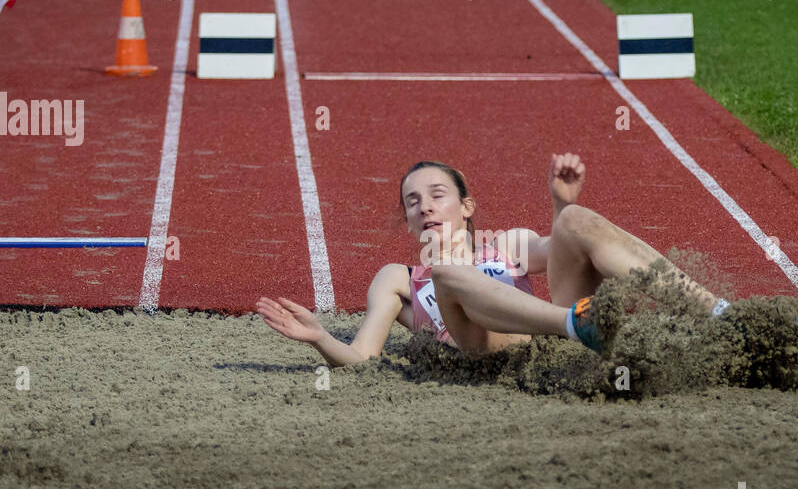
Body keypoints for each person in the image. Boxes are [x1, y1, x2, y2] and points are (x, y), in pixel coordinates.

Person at [257, 153, 730, 366]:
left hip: (548, 340)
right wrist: (320, 337)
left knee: (576, 220)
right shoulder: (397, 278)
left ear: (466, 207)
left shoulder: (506, 245)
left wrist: (561, 204)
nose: (424, 206)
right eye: (412, 202)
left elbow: (568, 253)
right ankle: (576, 324)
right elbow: (362, 357)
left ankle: (719, 314)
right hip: (484, 356)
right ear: (408, 223)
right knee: (445, 271)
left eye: (436, 195)